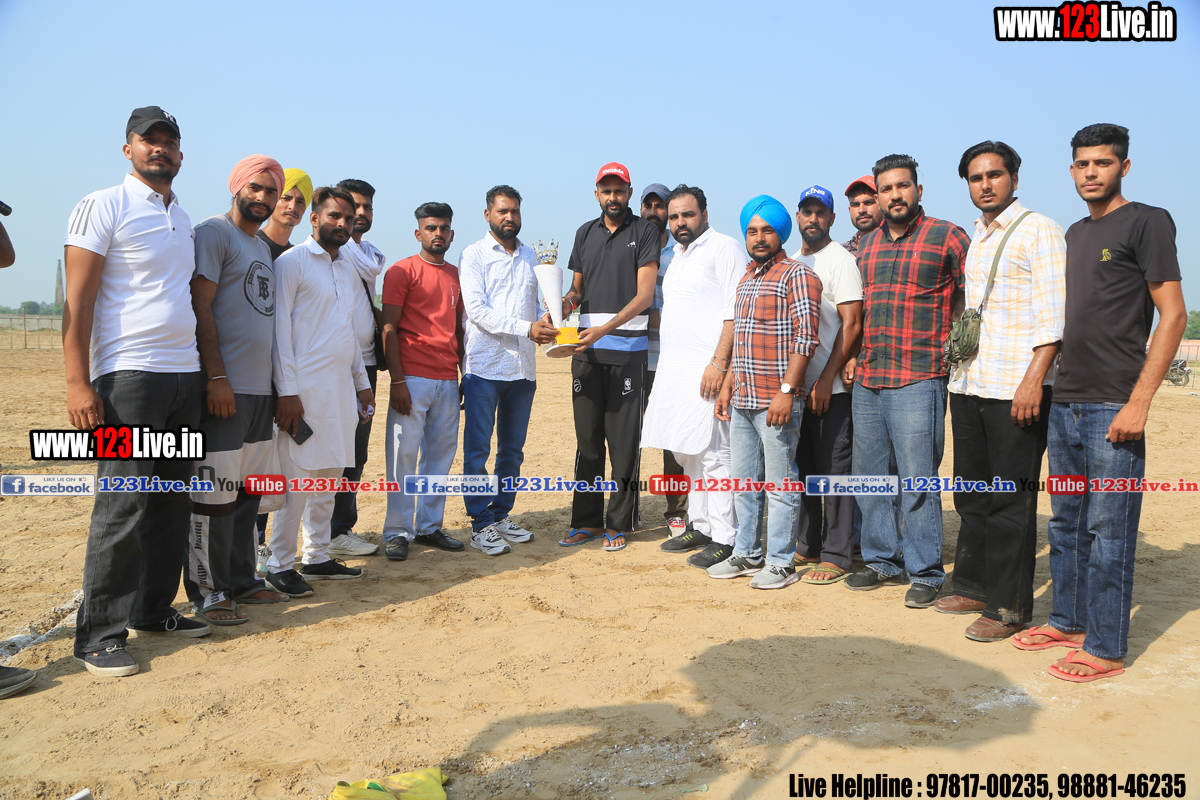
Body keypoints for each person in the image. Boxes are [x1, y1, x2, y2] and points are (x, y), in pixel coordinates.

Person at [1013, 124, 1186, 681]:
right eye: (1083, 164)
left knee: (1109, 530)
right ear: (1072, 171)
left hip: (1114, 404)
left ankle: (1106, 647)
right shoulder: (1074, 234)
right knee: (1066, 523)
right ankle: (1068, 621)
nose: (1092, 172)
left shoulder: (1147, 221)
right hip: (1066, 402)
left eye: (1103, 163)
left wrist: (1140, 402)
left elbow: (1173, 315)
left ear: (1124, 167)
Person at [63, 106, 209, 677]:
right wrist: (78, 382)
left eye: (169, 141)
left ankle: (152, 610)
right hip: (129, 377)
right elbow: (78, 300)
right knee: (123, 506)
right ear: (128, 149)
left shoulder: (182, 217)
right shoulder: (104, 204)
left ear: (181, 155)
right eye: (149, 140)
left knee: (171, 503)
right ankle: (99, 636)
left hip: (183, 377)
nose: (160, 148)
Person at [937, 141, 1066, 642]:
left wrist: (1034, 380)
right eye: (976, 177)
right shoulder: (979, 235)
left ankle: (1008, 608)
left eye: (994, 175)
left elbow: (1055, 317)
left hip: (1016, 387)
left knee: (1010, 500)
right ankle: (973, 586)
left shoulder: (1040, 230)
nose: (985, 184)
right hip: (971, 382)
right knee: (971, 494)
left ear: (1014, 178)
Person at [845, 154, 971, 609]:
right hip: (870, 376)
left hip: (920, 376)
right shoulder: (866, 245)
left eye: (902, 186)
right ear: (878, 195)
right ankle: (882, 559)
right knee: (869, 477)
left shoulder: (947, 235)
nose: (894, 195)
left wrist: (955, 344)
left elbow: (971, 296)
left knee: (917, 478)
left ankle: (926, 571)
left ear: (918, 190)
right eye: (886, 189)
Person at [185, 155, 291, 625]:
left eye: (271, 191)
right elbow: (200, 306)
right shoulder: (214, 233)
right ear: (236, 187)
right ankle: (209, 592)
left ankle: (243, 580)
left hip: (259, 394)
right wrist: (216, 377)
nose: (263, 198)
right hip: (224, 389)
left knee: (249, 493)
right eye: (256, 188)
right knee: (215, 496)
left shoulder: (261, 248)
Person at [266, 186, 374, 597]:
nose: (342, 223)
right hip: (303, 392)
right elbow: (279, 333)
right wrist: (286, 392)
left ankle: (317, 556)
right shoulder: (291, 263)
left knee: (330, 476)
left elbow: (348, 332)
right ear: (314, 219)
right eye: (334, 216)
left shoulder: (347, 268)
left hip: (340, 391)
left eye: (348, 217)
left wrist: (362, 384)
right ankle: (279, 563)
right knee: (296, 482)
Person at [710, 195, 821, 590]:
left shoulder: (797, 275)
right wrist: (727, 386)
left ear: (781, 234)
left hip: (777, 402)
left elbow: (806, 338)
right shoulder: (746, 279)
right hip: (743, 399)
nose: (758, 238)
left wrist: (787, 391)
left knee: (779, 484)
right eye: (752, 231)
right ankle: (747, 553)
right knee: (744, 483)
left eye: (767, 230)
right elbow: (740, 340)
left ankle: (781, 563)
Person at [642, 185, 746, 569]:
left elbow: (735, 311)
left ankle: (726, 537)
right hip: (675, 371)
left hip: (709, 370)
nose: (680, 222)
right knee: (687, 452)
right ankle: (700, 526)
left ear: (704, 213)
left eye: (687, 214)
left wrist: (720, 364)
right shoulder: (676, 257)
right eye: (674, 217)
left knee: (717, 454)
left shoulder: (725, 247)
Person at [557, 163, 659, 553]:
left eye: (619, 190)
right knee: (588, 445)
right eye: (606, 190)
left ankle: (618, 523)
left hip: (627, 355)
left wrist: (605, 328)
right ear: (596, 194)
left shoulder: (644, 232)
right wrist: (562, 305)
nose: (612, 197)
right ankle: (585, 521)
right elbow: (576, 291)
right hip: (586, 355)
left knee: (623, 445)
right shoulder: (584, 232)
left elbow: (644, 296)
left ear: (629, 193)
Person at [458, 186, 559, 555]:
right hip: (484, 367)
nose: (509, 217)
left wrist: (549, 317)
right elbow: (477, 311)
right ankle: (480, 523)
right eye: (502, 211)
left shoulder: (532, 256)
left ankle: (500, 514)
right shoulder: (473, 254)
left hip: (522, 369)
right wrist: (527, 328)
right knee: (477, 451)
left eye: (515, 211)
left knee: (512, 451)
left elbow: (534, 307)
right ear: (488, 215)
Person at [380, 202, 467, 561]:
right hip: (411, 379)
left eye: (444, 228)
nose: (438, 234)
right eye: (431, 228)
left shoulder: (457, 275)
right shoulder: (401, 271)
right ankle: (397, 532)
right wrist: (397, 381)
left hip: (447, 379)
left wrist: (462, 374)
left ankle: (429, 527)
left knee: (440, 458)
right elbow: (388, 327)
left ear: (452, 234)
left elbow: (459, 330)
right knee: (403, 456)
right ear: (418, 233)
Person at [790, 186, 863, 585]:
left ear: (832, 218)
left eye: (821, 212)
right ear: (797, 217)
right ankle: (808, 544)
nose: (813, 218)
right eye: (807, 211)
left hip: (830, 390)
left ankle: (836, 553)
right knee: (803, 470)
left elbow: (852, 324)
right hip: (796, 390)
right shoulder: (791, 261)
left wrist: (825, 379)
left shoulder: (841, 261)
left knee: (834, 472)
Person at [326, 178, 387, 558]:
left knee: (356, 453)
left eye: (367, 208)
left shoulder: (369, 257)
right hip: (335, 368)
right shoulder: (334, 252)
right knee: (328, 454)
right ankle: (321, 533)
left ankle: (340, 529)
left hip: (365, 367)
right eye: (354, 208)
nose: (360, 214)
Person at [254, 167, 312, 568]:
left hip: (287, 378)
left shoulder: (295, 259)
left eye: (300, 200)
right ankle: (253, 542)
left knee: (280, 466)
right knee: (252, 464)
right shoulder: (250, 245)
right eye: (286, 196)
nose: (291, 206)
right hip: (250, 375)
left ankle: (269, 545)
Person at [640, 182, 690, 536]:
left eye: (661, 206)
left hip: (672, 363)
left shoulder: (681, 256)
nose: (654, 212)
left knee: (674, 443)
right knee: (628, 440)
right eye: (649, 205)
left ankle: (676, 511)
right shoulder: (631, 253)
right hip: (633, 360)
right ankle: (627, 510)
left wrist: (641, 316)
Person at [258, 169, 312, 261]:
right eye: (286, 198)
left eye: (300, 202)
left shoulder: (298, 257)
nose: (293, 206)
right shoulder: (250, 244)